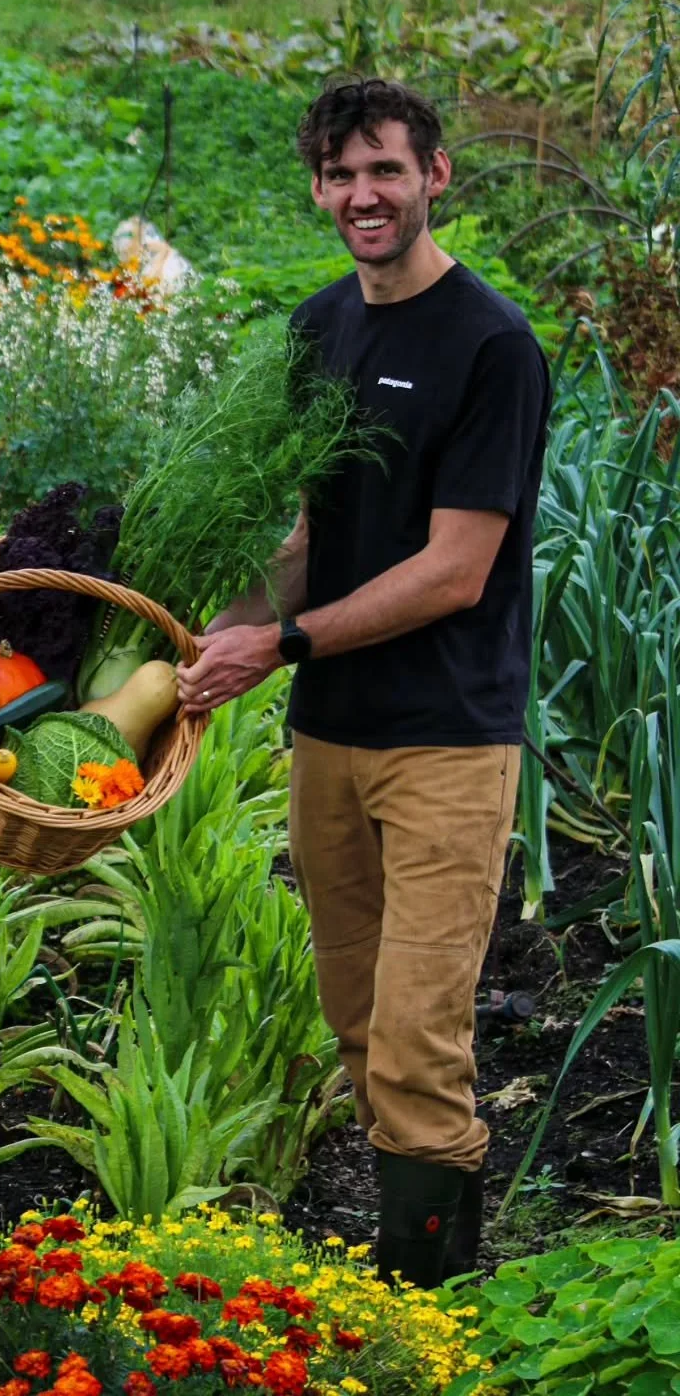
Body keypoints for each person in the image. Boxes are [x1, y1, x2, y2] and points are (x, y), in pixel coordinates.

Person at [176, 77, 551, 1289]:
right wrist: (216, 641)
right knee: (356, 1024)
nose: (361, 195)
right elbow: (298, 538)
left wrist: (281, 648)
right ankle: (421, 1279)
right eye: (340, 175)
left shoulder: (491, 345)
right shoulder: (317, 330)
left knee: (415, 1041)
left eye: (385, 169)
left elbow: (453, 571)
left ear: (436, 175)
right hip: (329, 732)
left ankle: (431, 1306)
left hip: (446, 736)